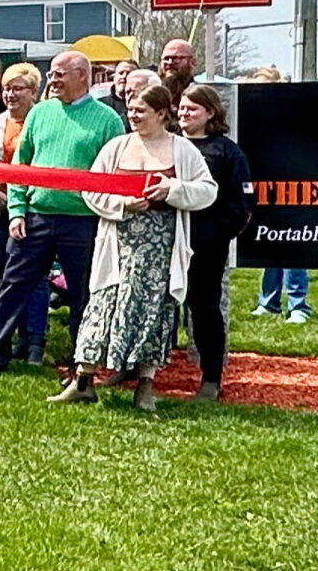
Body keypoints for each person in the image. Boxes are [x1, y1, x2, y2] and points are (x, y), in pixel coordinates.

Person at [50, 83, 218, 411]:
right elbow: (92, 190)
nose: (133, 116)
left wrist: (173, 189)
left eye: (140, 111)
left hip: (160, 249)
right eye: (130, 110)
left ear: (161, 114)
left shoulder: (183, 151)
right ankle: (83, 382)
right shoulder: (117, 147)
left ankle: (144, 386)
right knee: (101, 307)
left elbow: (207, 190)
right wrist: (122, 204)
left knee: (152, 311)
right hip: (117, 245)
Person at [0, 51, 121, 377]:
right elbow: (21, 166)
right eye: (51, 74)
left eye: (59, 74)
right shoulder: (39, 114)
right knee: (12, 286)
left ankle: (83, 362)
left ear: (82, 76)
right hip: (35, 216)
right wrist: (17, 212)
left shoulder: (108, 121)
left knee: (83, 293)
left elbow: (115, 175)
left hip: (83, 222)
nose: (52, 80)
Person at [178, 83, 252, 401]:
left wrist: (217, 234)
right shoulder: (166, 145)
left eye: (192, 109)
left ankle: (211, 377)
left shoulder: (227, 152)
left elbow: (242, 205)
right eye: (181, 108)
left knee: (204, 308)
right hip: (166, 240)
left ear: (210, 113)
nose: (184, 114)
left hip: (205, 245)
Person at [0, 62, 42, 344]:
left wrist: (22, 201)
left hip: (35, 209)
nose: (10, 95)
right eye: (6, 89)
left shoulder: (43, 121)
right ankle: (0, 332)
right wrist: (0, 196)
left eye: (17, 89)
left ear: (33, 92)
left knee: (31, 277)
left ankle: (32, 339)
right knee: (0, 272)